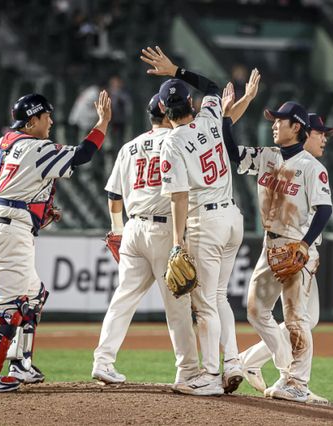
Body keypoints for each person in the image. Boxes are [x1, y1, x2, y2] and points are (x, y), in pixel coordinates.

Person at [0, 90, 112, 392]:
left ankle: (21, 364)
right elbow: (82, 154)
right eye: (47, 116)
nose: (51, 121)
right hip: (10, 234)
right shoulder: (36, 147)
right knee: (9, 307)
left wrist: (28, 205)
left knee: (33, 297)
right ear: (32, 121)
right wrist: (102, 123)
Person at [140, 46, 244, 396]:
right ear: (191, 103)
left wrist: (176, 242)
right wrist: (176, 70)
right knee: (219, 296)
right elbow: (213, 86)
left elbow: (179, 196)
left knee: (204, 304)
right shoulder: (211, 116)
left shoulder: (172, 142)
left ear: (163, 110)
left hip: (207, 223)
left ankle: (211, 376)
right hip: (233, 218)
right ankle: (233, 362)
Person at [222, 95, 333, 403]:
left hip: (296, 247)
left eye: (279, 121)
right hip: (269, 245)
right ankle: (286, 371)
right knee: (256, 311)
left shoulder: (312, 167)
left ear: (296, 127)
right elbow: (232, 153)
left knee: (297, 318)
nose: (274, 125)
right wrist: (226, 119)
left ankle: (298, 382)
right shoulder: (267, 156)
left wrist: (305, 245)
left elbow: (324, 210)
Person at [91, 94, 200, 387]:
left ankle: (103, 361)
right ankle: (188, 370)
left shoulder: (129, 146)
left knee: (123, 298)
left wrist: (117, 230)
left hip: (133, 228)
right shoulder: (177, 141)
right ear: (168, 113)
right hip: (163, 230)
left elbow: (114, 196)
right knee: (178, 303)